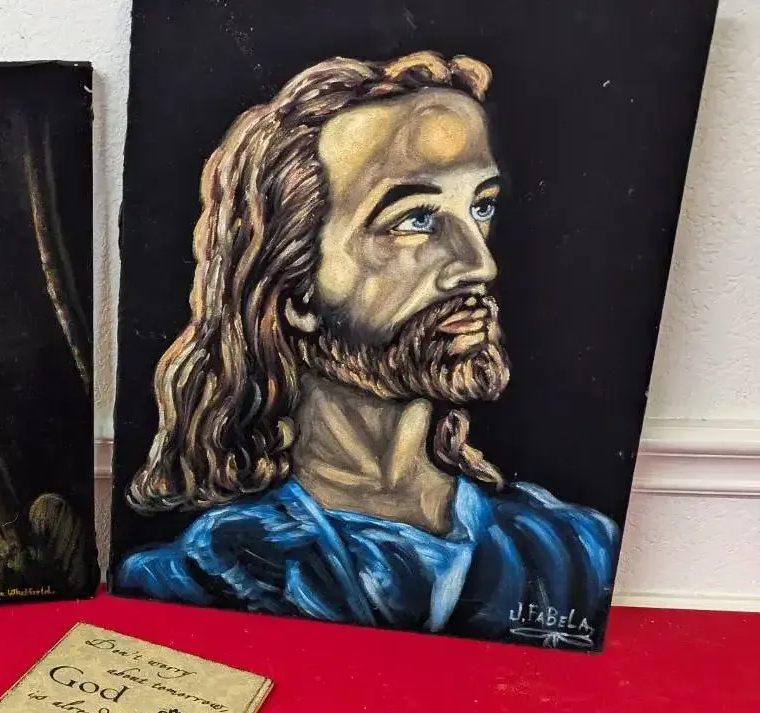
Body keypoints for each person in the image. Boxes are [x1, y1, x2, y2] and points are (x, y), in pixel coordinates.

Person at [117, 52, 616, 647]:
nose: (479, 264)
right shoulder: (204, 579)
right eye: (416, 219)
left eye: (480, 207)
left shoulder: (573, 552)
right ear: (295, 291)